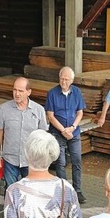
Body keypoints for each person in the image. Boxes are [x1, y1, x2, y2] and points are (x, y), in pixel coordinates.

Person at [0, 77, 48, 188]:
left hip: (30, 160)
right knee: (10, 191)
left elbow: (43, 137)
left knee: (30, 191)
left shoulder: (38, 110)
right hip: (10, 159)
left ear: (29, 92)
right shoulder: (4, 109)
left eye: (21, 91)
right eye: (15, 90)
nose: (17, 94)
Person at [45, 66, 87, 204]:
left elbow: (80, 112)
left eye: (66, 79)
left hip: (73, 132)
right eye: (61, 79)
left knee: (77, 161)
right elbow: (50, 116)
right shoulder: (52, 93)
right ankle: (64, 191)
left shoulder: (77, 92)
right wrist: (63, 130)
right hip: (57, 133)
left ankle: (78, 190)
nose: (63, 82)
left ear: (72, 80)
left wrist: (72, 127)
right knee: (60, 162)